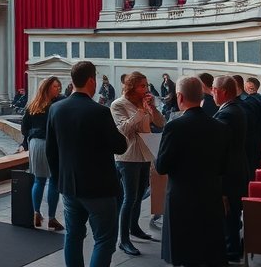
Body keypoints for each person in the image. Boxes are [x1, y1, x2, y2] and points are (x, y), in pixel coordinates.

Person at [46, 61, 128, 267]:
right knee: (105, 239)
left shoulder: (56, 109)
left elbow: (51, 151)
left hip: (69, 186)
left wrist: (59, 181)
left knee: (73, 236)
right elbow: (119, 146)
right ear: (91, 80)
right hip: (98, 188)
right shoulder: (99, 112)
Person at [155, 76, 231, 267]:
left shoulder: (174, 126)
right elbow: (224, 165)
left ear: (179, 97)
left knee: (184, 251)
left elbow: (162, 166)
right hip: (210, 194)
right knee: (206, 250)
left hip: (182, 196)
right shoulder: (219, 126)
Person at [110, 71, 164, 257]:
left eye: (146, 85)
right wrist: (141, 112)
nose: (146, 89)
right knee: (129, 197)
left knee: (140, 194)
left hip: (145, 154)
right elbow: (123, 129)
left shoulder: (145, 103)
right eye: (142, 86)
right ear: (132, 87)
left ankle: (134, 228)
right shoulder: (118, 104)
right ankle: (123, 239)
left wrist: (153, 109)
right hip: (128, 156)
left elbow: (161, 123)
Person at [212, 75, 249, 263]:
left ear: (223, 92)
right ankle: (233, 245)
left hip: (228, 173)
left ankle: (231, 249)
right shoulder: (235, 109)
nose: (211, 93)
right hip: (237, 169)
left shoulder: (227, 113)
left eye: (213, 89)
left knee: (228, 213)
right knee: (232, 213)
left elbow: (218, 145)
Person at [20, 76, 64, 231]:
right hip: (50, 144)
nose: (58, 89)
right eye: (55, 87)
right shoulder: (57, 105)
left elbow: (24, 129)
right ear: (46, 88)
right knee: (53, 181)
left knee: (39, 180)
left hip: (35, 144)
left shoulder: (32, 105)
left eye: (59, 86)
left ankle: (36, 214)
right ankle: (51, 218)